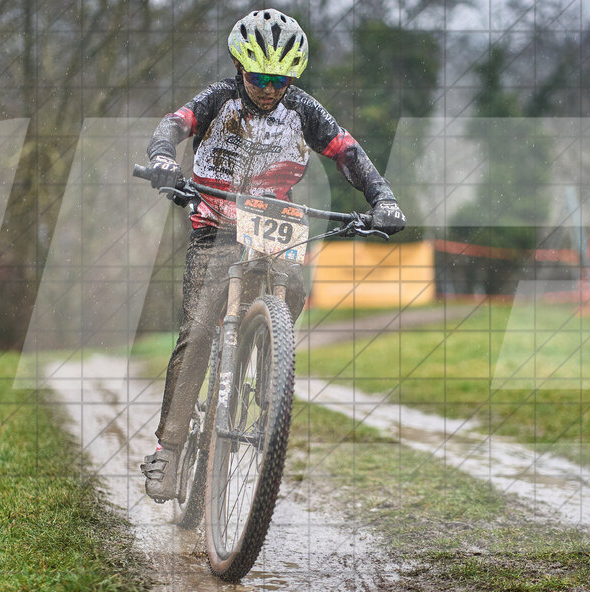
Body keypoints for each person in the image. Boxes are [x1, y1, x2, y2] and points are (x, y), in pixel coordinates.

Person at [140, 9, 407, 502]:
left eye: (280, 80)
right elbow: (175, 124)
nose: (269, 89)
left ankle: (269, 361)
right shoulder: (219, 98)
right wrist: (162, 157)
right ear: (239, 67)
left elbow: (348, 152)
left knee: (295, 289)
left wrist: (383, 198)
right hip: (215, 223)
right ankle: (169, 449)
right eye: (259, 78)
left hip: (273, 224)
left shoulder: (303, 109)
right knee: (197, 333)